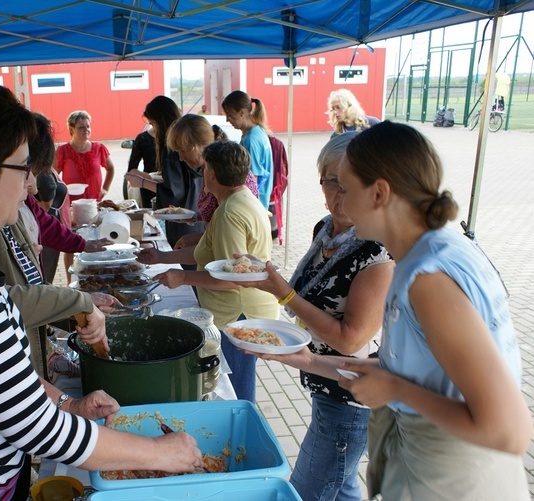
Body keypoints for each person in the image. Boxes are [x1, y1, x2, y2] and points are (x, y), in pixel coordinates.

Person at [0, 83, 202, 500]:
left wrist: (70, 405)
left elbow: (3, 378)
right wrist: (160, 453)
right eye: (22, 168)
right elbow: (38, 428)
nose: (29, 184)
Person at [258, 121, 532, 500]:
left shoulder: (429, 278)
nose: (341, 202)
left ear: (379, 193)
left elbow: (510, 429)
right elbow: (407, 373)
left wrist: (396, 389)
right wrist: (304, 360)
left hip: (462, 479)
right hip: (430, 468)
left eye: (347, 188)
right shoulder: (427, 254)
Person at [234, 132, 393, 501]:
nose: (342, 195)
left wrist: (283, 292)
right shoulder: (325, 229)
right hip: (324, 379)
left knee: (305, 491)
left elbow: (351, 339)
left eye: (351, 183)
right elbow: (308, 292)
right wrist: (261, 277)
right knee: (343, 485)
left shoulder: (378, 249)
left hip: (352, 393)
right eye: (333, 182)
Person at [139, 140, 279, 402]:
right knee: (237, 382)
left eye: (204, 169)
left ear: (212, 174)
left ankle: (240, 434)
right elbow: (209, 254)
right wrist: (162, 256)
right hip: (237, 311)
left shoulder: (229, 212)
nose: (202, 174)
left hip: (238, 313)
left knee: (237, 389)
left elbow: (233, 279)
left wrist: (182, 277)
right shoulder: (238, 200)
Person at [0, 111, 113, 380]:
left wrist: (71, 311)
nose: (33, 186)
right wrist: (75, 301)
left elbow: (29, 290)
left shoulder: (13, 213)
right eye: (25, 170)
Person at [164, 114, 258, 250]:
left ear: (201, 144)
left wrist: (196, 238)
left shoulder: (224, 172)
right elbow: (215, 212)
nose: (180, 157)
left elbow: (233, 231)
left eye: (183, 150)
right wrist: (193, 217)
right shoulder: (207, 168)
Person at [124, 96, 204, 249]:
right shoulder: (182, 145)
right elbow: (180, 182)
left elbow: (174, 192)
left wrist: (142, 182)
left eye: (153, 123)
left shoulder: (172, 148)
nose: (153, 129)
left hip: (184, 219)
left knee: (184, 257)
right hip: (194, 214)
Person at [221, 90, 273, 208]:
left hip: (252, 206)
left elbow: (252, 180)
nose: (227, 120)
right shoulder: (254, 133)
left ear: (242, 113)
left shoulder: (251, 140)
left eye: (230, 114)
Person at [55, 110, 114, 202]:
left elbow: (110, 168)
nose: (86, 130)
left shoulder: (99, 148)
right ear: (71, 129)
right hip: (71, 204)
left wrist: (105, 189)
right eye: (81, 127)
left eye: (88, 126)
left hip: (94, 203)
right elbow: (53, 176)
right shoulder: (62, 151)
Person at [127, 124, 157, 208]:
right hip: (149, 190)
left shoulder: (175, 137)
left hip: (172, 190)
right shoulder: (143, 139)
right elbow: (131, 169)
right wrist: (149, 177)